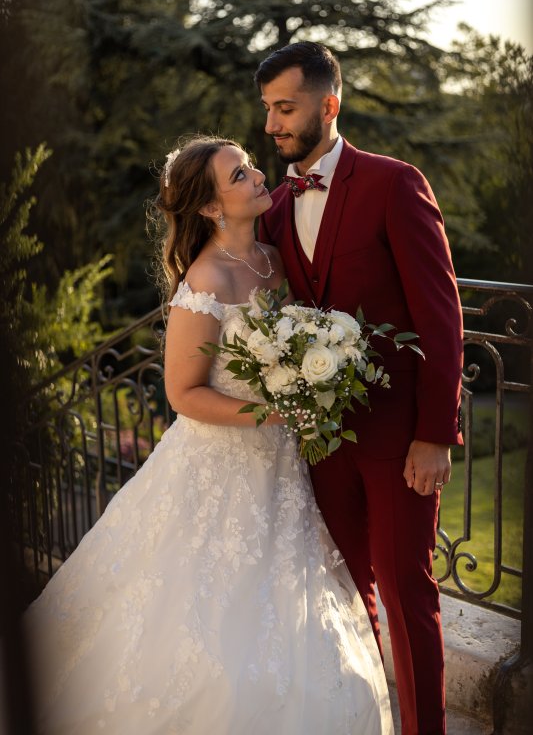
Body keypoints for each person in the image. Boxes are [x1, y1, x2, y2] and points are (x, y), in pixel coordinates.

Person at [24, 135, 393, 734]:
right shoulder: (206, 279)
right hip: (220, 463)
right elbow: (183, 394)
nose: (255, 177)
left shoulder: (277, 258)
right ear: (212, 208)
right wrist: (272, 413)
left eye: (249, 166)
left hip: (284, 468)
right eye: (239, 175)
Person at [255, 42, 464, 735]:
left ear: (328, 105)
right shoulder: (277, 206)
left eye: (284, 109)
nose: (272, 126)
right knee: (347, 594)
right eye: (267, 111)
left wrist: (435, 432)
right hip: (320, 441)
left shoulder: (393, 182)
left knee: (406, 593)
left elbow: (438, 314)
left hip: (400, 437)